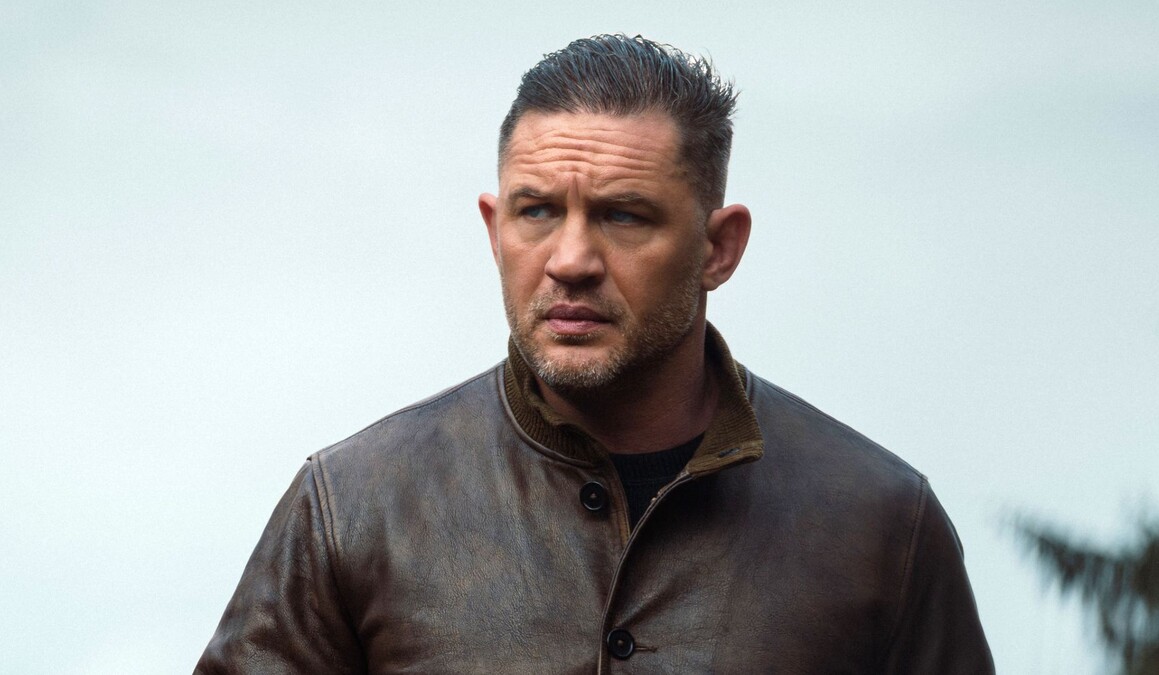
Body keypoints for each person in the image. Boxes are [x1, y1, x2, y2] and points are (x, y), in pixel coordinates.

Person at [197, 34, 994, 673]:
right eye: (537, 211)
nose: (571, 259)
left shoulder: (881, 525)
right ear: (494, 229)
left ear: (719, 247)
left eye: (623, 215)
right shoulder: (352, 507)